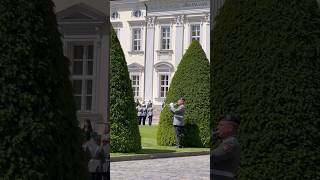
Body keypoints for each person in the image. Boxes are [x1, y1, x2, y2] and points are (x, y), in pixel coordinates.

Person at [210, 114, 241, 180]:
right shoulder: (225, 142)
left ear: (230, 128)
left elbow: (213, 156)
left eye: (221, 125)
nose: (217, 127)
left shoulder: (230, 143)